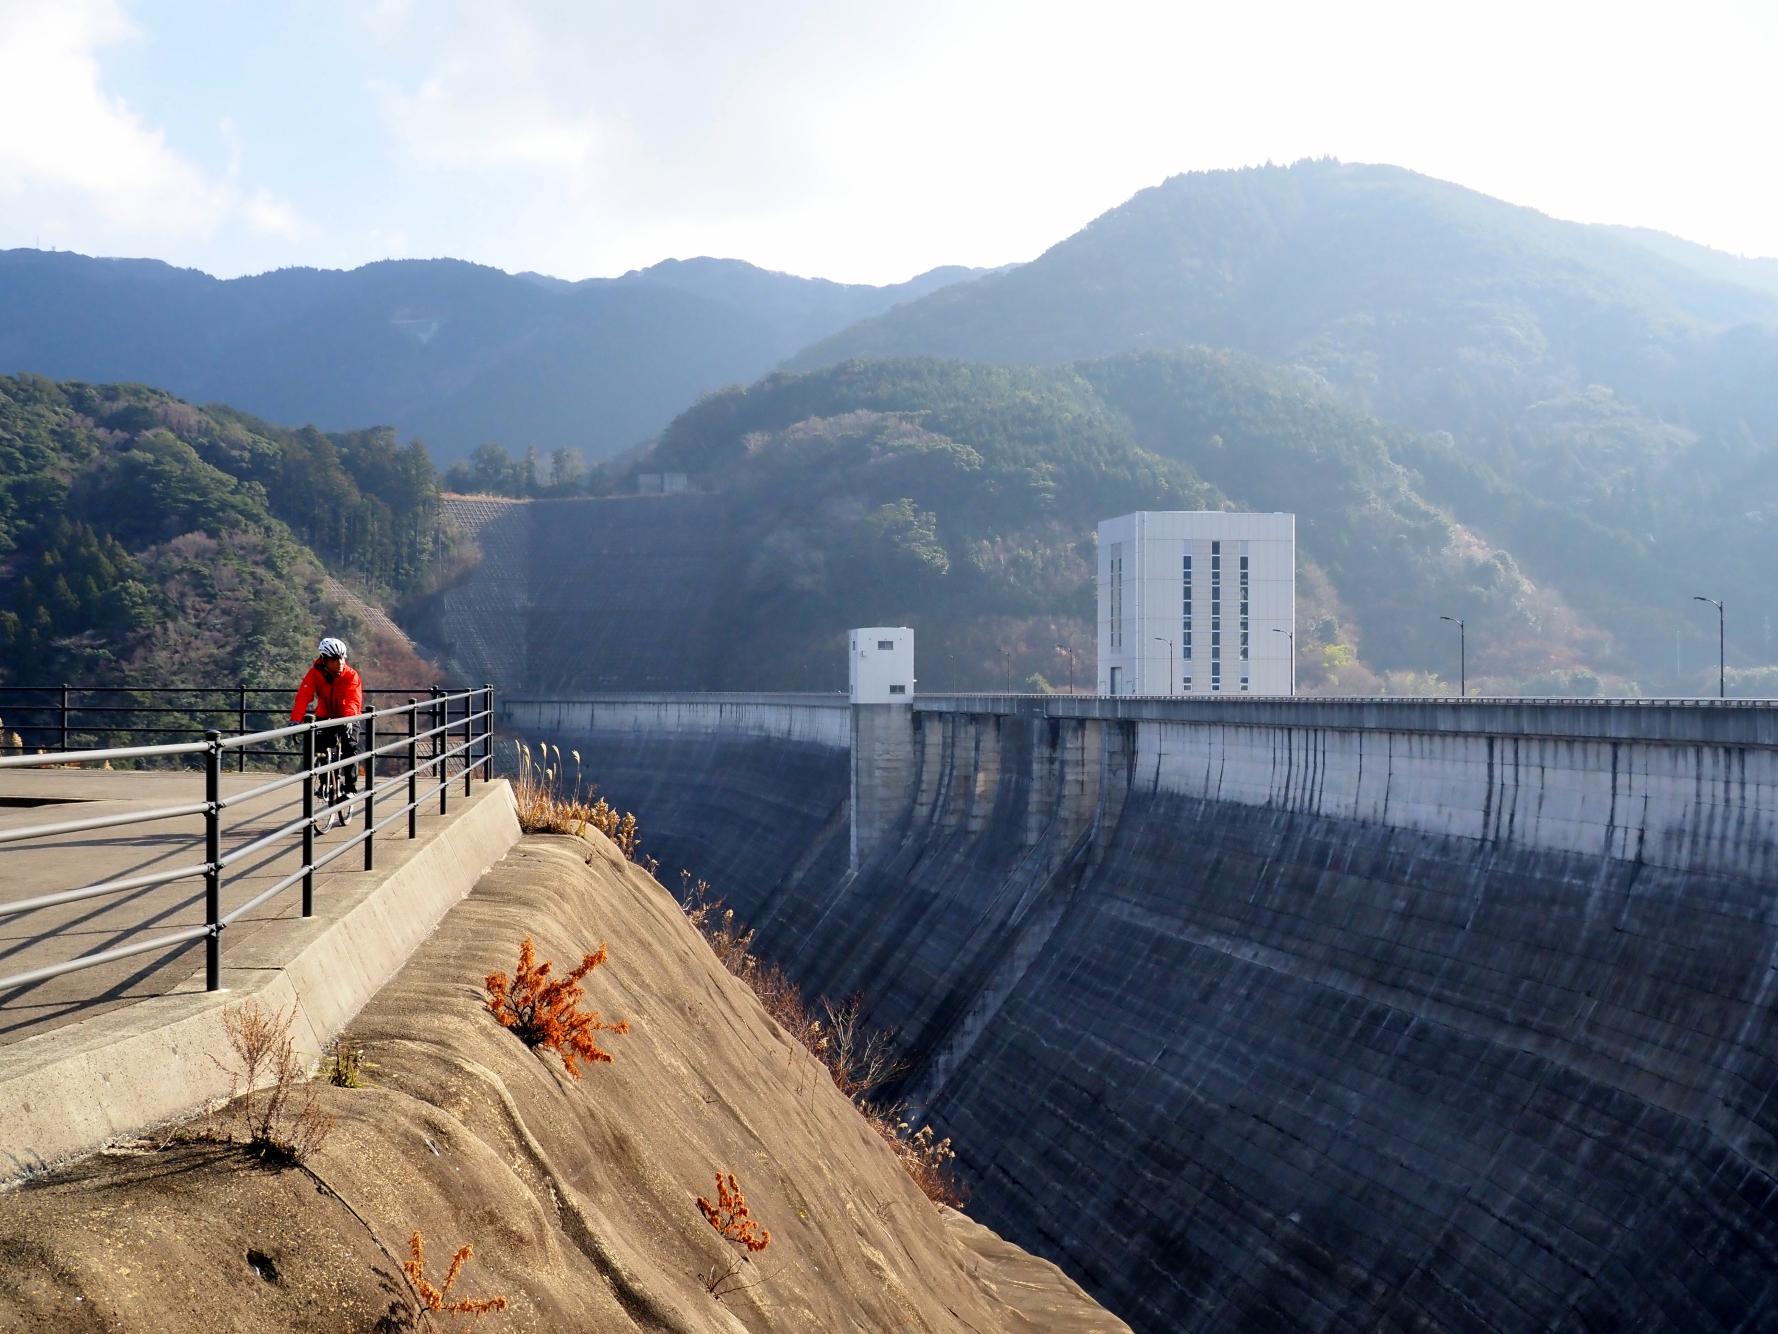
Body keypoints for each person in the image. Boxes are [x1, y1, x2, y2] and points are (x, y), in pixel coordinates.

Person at [291, 637, 364, 828]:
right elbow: (303, 696)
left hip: (348, 715)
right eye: (335, 659)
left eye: (342, 658)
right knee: (319, 744)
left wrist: (348, 719)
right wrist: (295, 720)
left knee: (350, 746)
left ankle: (350, 789)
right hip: (325, 714)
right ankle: (324, 781)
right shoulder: (315, 674)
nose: (340, 663)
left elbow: (353, 700)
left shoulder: (351, 675)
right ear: (324, 659)